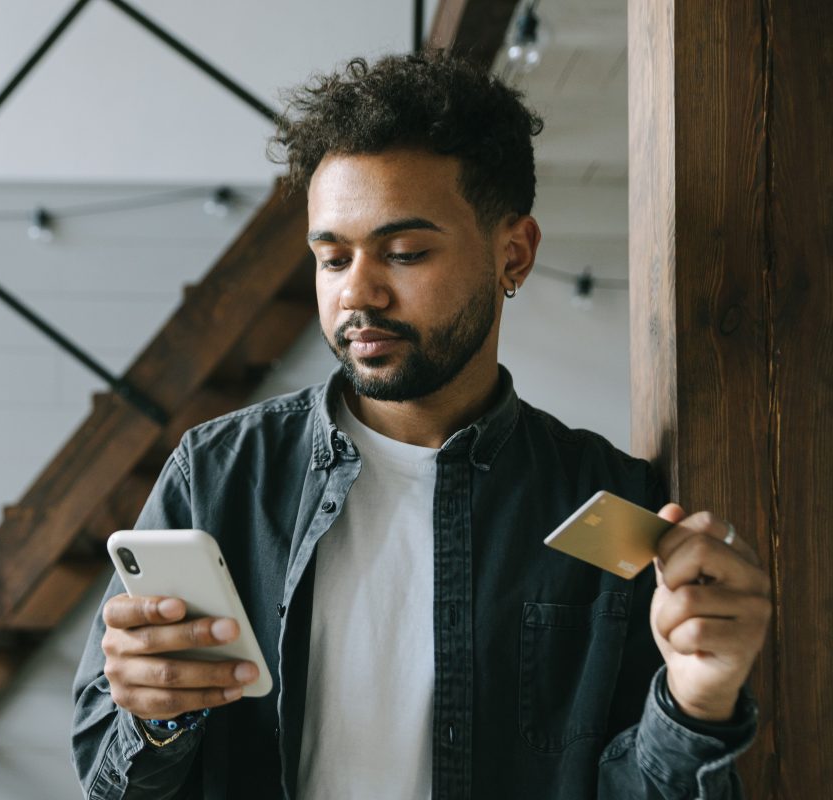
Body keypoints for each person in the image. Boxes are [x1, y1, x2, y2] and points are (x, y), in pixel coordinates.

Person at [71, 52, 770, 799]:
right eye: (332, 258)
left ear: (514, 252)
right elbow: (109, 781)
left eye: (405, 253)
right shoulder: (219, 474)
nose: (358, 293)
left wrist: (696, 704)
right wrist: (155, 719)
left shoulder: (609, 498)